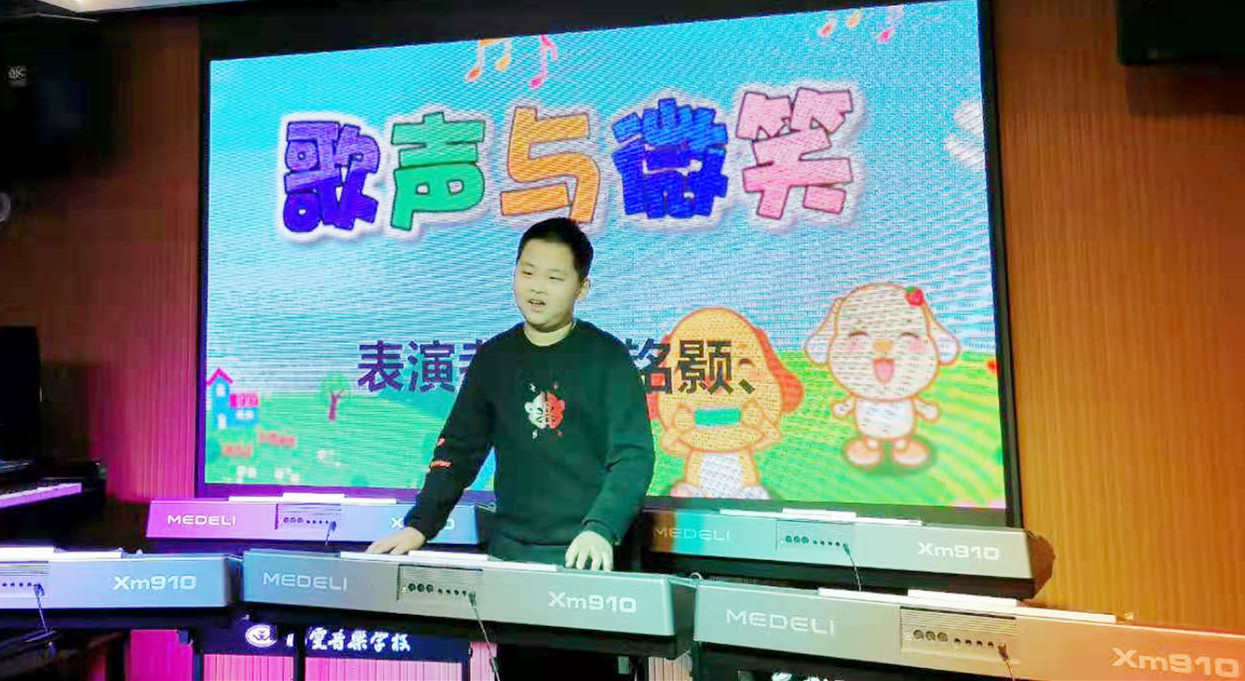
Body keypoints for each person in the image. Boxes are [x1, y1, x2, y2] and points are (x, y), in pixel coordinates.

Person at [367, 216, 656, 679]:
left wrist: (600, 528)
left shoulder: (607, 357)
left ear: (582, 288)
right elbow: (458, 450)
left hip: (583, 560)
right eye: (527, 272)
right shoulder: (494, 358)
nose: (536, 287)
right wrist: (420, 525)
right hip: (512, 558)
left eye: (554, 277)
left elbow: (633, 456)